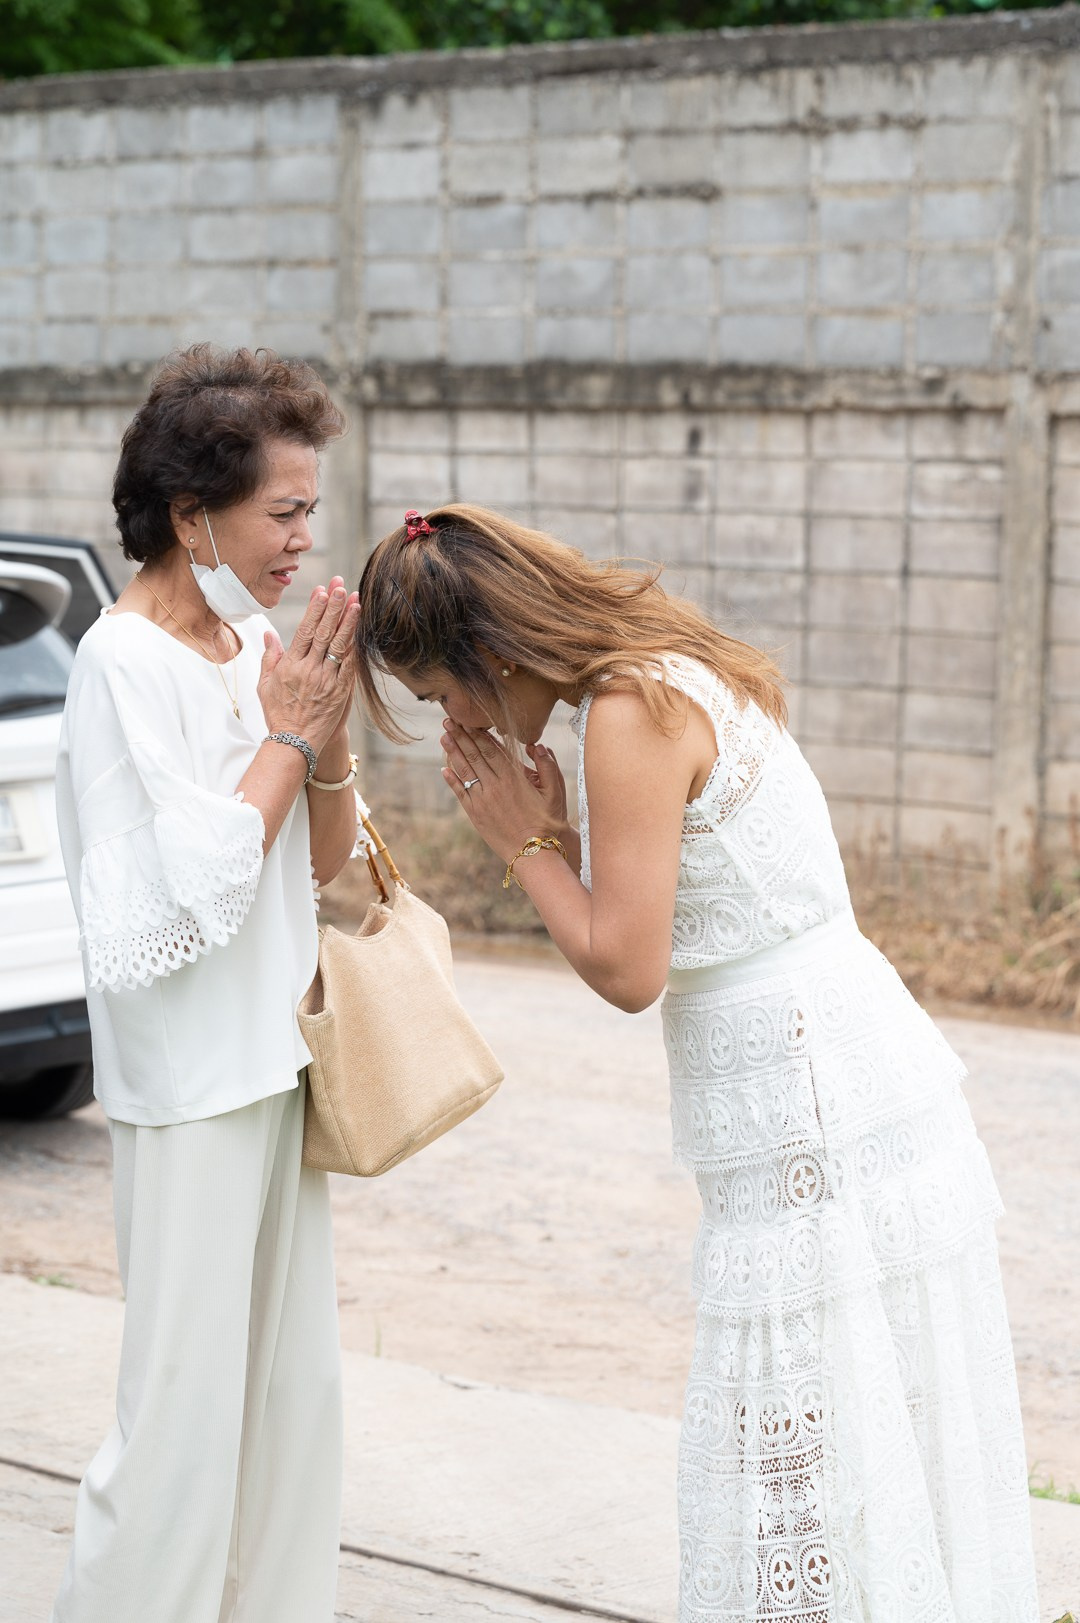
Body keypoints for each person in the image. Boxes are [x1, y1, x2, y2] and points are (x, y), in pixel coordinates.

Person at [353, 503, 1039, 1623]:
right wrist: (563, 844)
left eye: (440, 693)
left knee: (801, 1451)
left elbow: (627, 967)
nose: (452, 724)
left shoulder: (629, 710)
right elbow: (689, 908)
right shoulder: (659, 669)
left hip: (807, 1107)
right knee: (856, 1440)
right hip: (837, 1081)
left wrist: (519, 843)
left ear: (496, 651)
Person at [51, 345, 362, 1623]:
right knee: (179, 1418)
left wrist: (323, 733)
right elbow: (184, 905)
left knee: (293, 1402)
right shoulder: (121, 665)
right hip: (188, 1091)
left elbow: (325, 860)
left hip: (277, 1064)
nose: (305, 536)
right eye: (283, 511)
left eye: (308, 509)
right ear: (193, 516)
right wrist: (286, 732)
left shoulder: (254, 643)